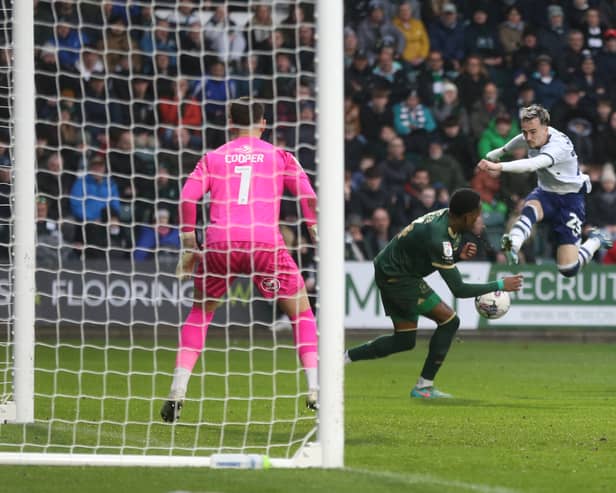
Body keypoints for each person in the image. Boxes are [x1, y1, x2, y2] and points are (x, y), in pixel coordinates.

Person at [161, 99, 319, 422]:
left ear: (230, 121)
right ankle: (315, 389)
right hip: (264, 244)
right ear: (264, 123)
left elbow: (187, 198)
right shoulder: (280, 156)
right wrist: (314, 226)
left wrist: (190, 241)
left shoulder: (212, 158)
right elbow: (307, 194)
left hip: (220, 244)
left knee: (200, 314)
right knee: (301, 313)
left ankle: (178, 390)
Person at [344, 189, 523, 399]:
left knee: (404, 341)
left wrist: (457, 256)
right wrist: (500, 284)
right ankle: (423, 387)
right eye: (477, 214)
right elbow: (459, 289)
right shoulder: (439, 237)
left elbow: (431, 253)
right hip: (398, 277)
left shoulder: (448, 220)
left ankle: (343, 358)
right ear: (466, 216)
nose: (479, 219)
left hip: (397, 271)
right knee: (449, 321)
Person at [477, 104, 613, 277]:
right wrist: (501, 151)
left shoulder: (559, 146)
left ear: (546, 128)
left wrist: (499, 166)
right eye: (525, 131)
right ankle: (514, 243)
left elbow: (531, 165)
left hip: (570, 200)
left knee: (568, 269)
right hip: (546, 192)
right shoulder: (535, 135)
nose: (528, 137)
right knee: (530, 209)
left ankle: (596, 240)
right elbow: (521, 138)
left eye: (532, 132)